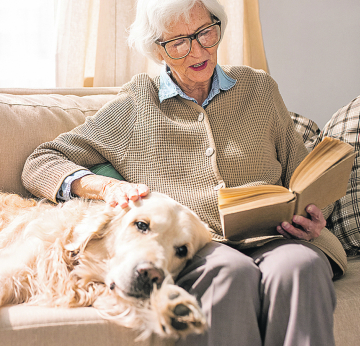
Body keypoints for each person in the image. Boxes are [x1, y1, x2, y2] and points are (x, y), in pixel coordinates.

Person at [21, 0, 347, 345]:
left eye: (205, 32)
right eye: (178, 42)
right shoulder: (136, 105)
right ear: (157, 50)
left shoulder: (259, 88)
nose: (198, 50)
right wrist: (105, 188)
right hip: (198, 247)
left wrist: (312, 215)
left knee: (301, 267)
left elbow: (303, 177)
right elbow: (42, 161)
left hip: (276, 236)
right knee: (230, 273)